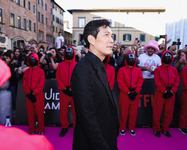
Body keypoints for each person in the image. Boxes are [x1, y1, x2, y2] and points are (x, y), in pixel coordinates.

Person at [71, 19, 119, 150]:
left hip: (106, 136)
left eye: (112, 36)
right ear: (91, 39)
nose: (111, 40)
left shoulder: (98, 65)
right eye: (106, 35)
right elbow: (87, 116)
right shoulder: (83, 69)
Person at [152, 50, 179, 138]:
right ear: (162, 58)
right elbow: (157, 82)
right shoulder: (157, 70)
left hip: (171, 93)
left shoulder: (174, 70)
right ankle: (156, 129)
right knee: (157, 112)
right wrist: (164, 91)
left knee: (169, 112)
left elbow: (176, 81)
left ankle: (165, 129)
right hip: (160, 93)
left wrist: (172, 91)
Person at [117, 52, 144, 136]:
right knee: (123, 112)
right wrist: (128, 92)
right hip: (125, 94)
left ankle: (132, 128)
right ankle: (122, 128)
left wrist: (136, 92)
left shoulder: (138, 70)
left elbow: (140, 81)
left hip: (135, 93)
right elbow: (120, 83)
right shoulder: (121, 70)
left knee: (133, 112)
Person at [56, 46, 77, 137]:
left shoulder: (77, 65)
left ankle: (76, 127)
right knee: (63, 111)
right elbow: (58, 78)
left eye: (70, 53)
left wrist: (73, 88)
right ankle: (64, 127)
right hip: (63, 91)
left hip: (74, 92)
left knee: (75, 111)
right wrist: (64, 88)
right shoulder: (60, 65)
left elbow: (79, 79)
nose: (69, 54)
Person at [22, 53, 45, 135]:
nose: (32, 61)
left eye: (33, 60)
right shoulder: (26, 72)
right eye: (30, 60)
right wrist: (28, 93)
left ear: (37, 61)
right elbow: (24, 83)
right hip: (29, 96)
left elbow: (41, 84)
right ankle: (31, 129)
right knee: (30, 114)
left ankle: (41, 129)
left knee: (40, 113)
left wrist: (34, 93)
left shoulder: (41, 71)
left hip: (38, 96)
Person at [178, 54, 187, 135]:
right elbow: (184, 84)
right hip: (186, 93)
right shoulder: (185, 70)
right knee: (185, 110)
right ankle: (182, 126)